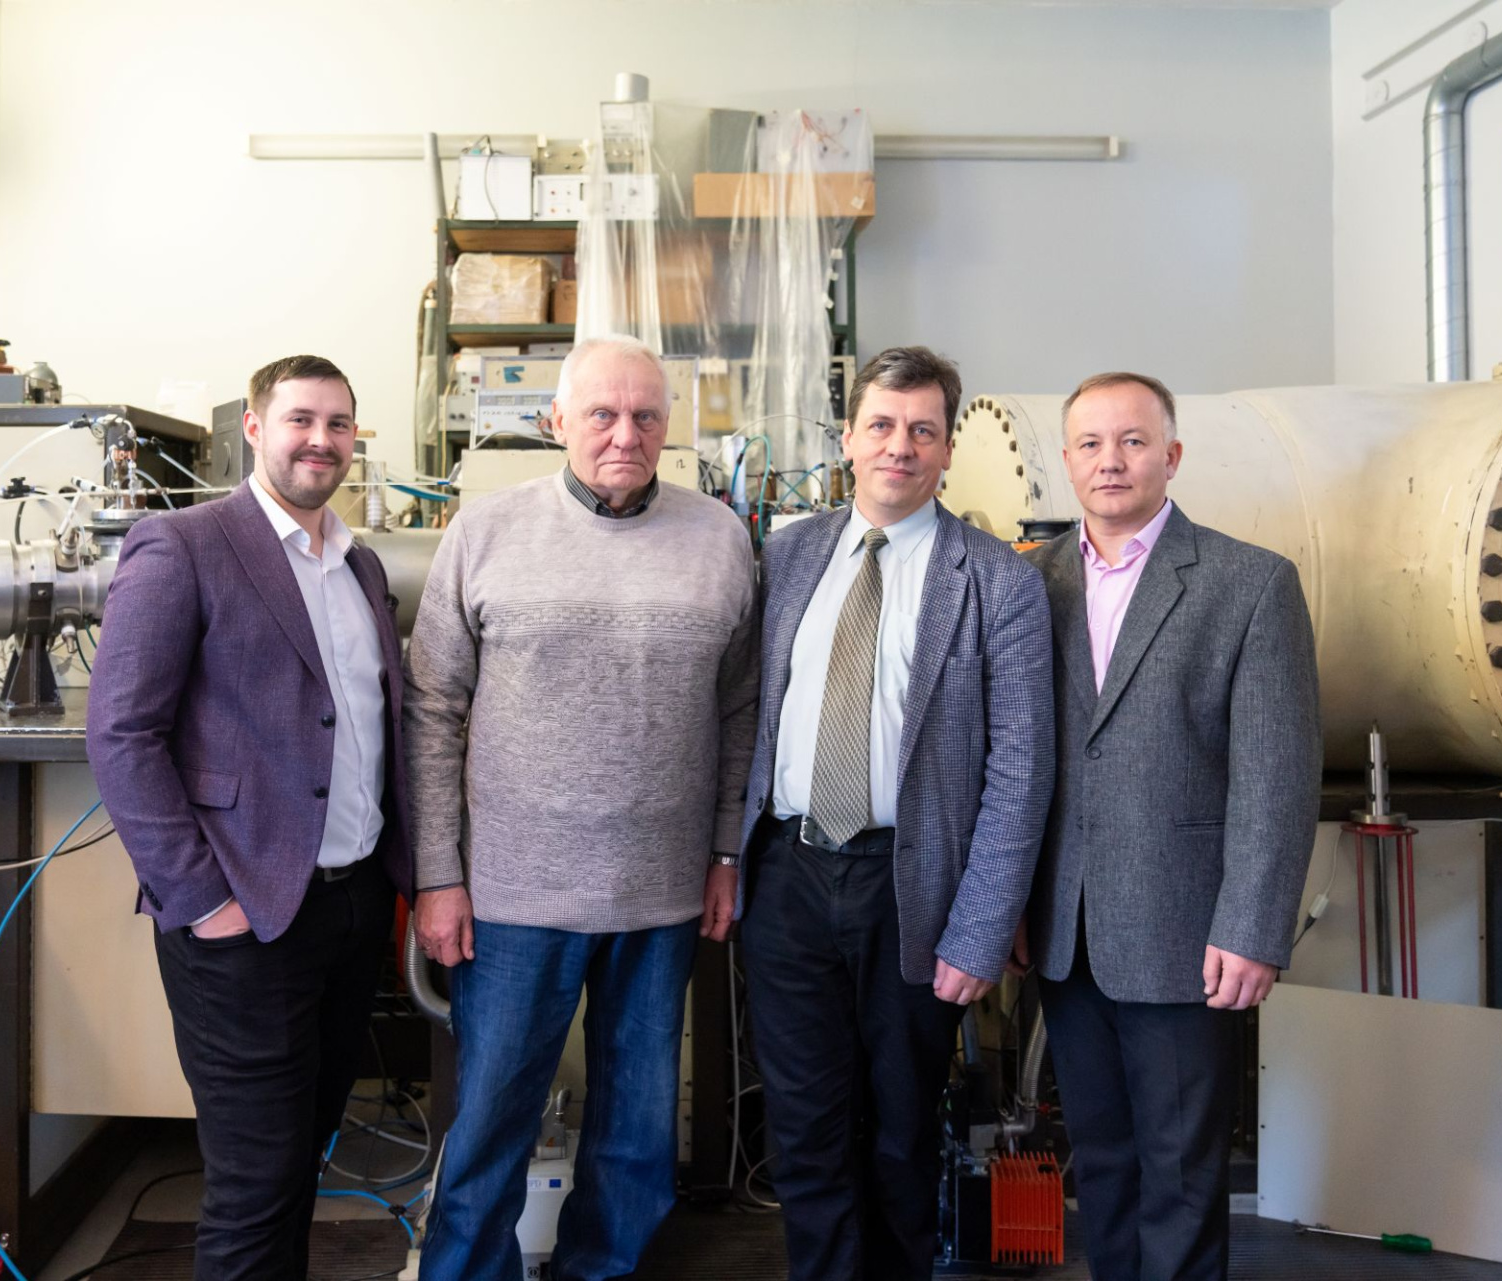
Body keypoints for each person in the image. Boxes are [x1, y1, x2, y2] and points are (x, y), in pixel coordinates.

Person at [404, 334, 758, 1280]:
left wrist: (726, 852)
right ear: (557, 420)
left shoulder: (720, 539)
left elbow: (741, 711)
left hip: (663, 894)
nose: (624, 434)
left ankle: (603, 1270)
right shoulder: (485, 530)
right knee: (490, 1126)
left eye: (645, 416)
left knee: (638, 1137)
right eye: (601, 413)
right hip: (512, 894)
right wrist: (437, 874)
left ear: (669, 427)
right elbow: (431, 708)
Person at [735, 345, 1056, 1280]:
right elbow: (748, 717)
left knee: (902, 1133)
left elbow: (1021, 769)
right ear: (847, 439)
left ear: (948, 448)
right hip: (788, 876)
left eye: (922, 429)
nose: (899, 446)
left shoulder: (997, 579)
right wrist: (725, 861)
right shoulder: (789, 555)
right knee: (805, 1129)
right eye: (881, 425)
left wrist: (981, 927)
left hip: (912, 886)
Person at [87, 354, 410, 1280]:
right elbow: (121, 733)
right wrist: (204, 902)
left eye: (339, 424)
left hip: (349, 909)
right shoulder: (182, 544)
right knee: (254, 1183)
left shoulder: (359, 563)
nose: (321, 440)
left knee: (301, 1159)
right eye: (301, 419)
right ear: (256, 429)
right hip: (244, 914)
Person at [1014, 370, 1321, 1280]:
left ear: (1172, 455)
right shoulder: (1031, 582)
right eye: (1091, 443)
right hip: (1065, 930)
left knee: (1182, 1170)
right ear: (1066, 460)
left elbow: (1277, 772)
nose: (1111, 460)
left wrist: (1253, 925)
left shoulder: (1249, 582)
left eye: (1133, 440)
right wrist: (1015, 910)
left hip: (1187, 931)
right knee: (1101, 1162)